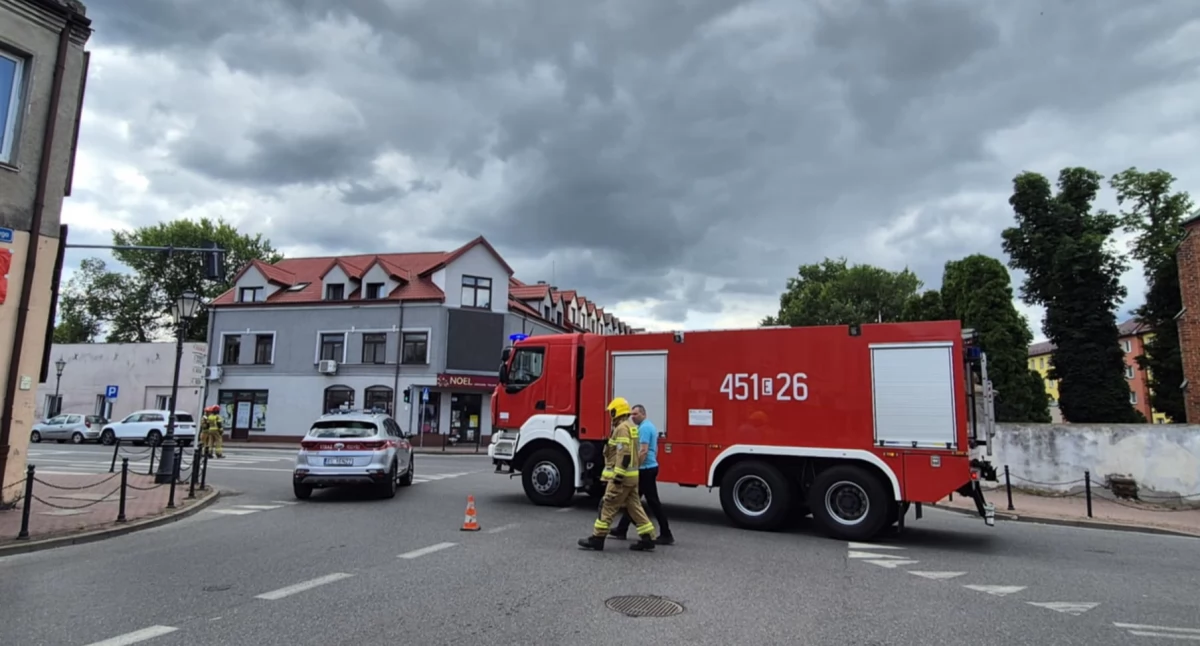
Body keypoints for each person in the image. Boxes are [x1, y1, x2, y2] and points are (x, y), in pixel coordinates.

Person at [578, 397, 656, 552]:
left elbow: (624, 454)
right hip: (632, 477)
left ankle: (597, 538)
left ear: (616, 411)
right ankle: (648, 537)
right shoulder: (630, 426)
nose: (610, 414)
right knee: (634, 507)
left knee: (607, 505)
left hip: (623, 477)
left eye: (611, 411)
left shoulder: (621, 428)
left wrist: (618, 476)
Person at [610, 404, 673, 545]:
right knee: (633, 499)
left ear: (643, 414)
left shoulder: (644, 428)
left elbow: (643, 451)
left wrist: (635, 467)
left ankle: (666, 533)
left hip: (646, 469)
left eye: (636, 414)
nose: (632, 416)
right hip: (650, 467)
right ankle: (621, 529)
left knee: (652, 502)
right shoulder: (649, 426)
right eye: (631, 414)